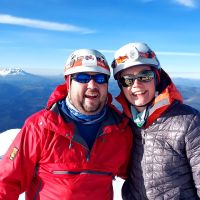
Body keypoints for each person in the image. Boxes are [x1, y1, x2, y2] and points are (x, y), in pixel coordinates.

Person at [0, 49, 133, 200]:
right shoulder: (40, 127)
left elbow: (139, 176)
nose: (92, 85)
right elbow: (6, 183)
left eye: (100, 78)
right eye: (82, 77)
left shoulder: (121, 131)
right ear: (68, 83)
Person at [111, 42, 200, 199]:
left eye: (145, 76)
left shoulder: (189, 122)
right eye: (127, 80)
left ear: (157, 78)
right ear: (121, 86)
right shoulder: (123, 124)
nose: (136, 85)